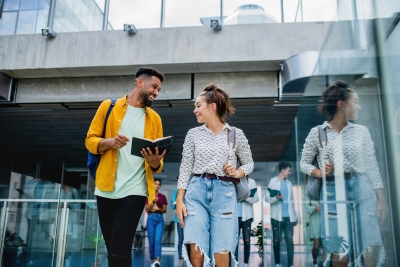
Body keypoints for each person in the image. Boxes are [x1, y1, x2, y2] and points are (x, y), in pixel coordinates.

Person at [299, 80, 387, 267]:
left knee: (368, 247)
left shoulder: (361, 132)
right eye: (355, 101)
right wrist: (320, 172)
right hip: (332, 191)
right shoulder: (317, 133)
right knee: (338, 249)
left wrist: (382, 198)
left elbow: (372, 165)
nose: (359, 106)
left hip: (363, 189)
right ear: (341, 104)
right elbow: (304, 164)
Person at [85, 67, 166, 267]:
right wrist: (110, 142)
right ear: (140, 82)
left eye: (159, 90)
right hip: (106, 188)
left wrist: (154, 161)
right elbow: (90, 140)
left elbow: (157, 164)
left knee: (120, 245)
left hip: (135, 190)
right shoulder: (108, 106)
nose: (156, 92)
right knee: (113, 246)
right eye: (154, 87)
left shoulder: (154, 118)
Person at [176, 83, 254, 267]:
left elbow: (249, 163)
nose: (195, 110)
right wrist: (180, 199)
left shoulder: (235, 134)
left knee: (222, 258)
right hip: (195, 194)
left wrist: (238, 171)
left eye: (198, 105)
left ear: (213, 106)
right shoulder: (193, 134)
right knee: (197, 257)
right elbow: (186, 167)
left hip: (224, 194)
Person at [264, 162, 298, 267]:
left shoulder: (289, 184)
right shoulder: (272, 182)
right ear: (282, 170)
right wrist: (275, 198)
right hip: (276, 217)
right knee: (276, 241)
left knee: (289, 241)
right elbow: (266, 198)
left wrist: (295, 216)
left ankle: (290, 264)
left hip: (288, 217)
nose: (290, 173)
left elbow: (292, 201)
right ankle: (278, 263)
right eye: (288, 170)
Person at [234, 175, 259, 267]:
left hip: (247, 217)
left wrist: (245, 197)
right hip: (234, 217)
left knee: (247, 242)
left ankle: (246, 263)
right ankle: (235, 263)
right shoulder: (233, 181)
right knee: (234, 242)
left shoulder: (251, 182)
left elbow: (256, 198)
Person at [145, 179, 167, 267]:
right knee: (151, 242)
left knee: (158, 240)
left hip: (159, 219)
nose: (157, 186)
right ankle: (153, 261)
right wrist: (153, 203)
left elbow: (164, 210)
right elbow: (147, 209)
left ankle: (157, 261)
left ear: (160, 186)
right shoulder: (148, 196)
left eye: (158, 184)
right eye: (155, 184)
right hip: (150, 219)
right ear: (153, 185)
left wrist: (158, 209)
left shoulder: (163, 197)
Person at [304, 199, 324, 267]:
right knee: (316, 246)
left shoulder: (325, 194)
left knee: (326, 246)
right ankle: (315, 262)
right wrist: (315, 208)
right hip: (315, 223)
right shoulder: (310, 197)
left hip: (325, 223)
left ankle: (325, 263)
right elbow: (306, 209)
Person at [171, 176, 184, 267]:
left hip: (189, 219)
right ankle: (181, 258)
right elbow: (172, 205)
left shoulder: (189, 189)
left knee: (190, 240)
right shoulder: (176, 191)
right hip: (179, 219)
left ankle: (190, 257)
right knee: (181, 239)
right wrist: (176, 203)